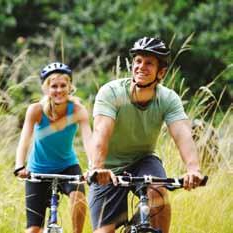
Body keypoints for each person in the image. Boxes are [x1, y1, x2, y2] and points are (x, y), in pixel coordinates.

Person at [89, 37, 204, 233]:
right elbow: (101, 132)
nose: (141, 67)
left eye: (149, 63)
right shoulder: (111, 93)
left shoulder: (168, 98)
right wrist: (98, 168)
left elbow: (182, 134)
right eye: (138, 61)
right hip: (107, 169)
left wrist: (193, 170)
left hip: (143, 160)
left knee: (159, 190)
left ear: (161, 72)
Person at [14, 62, 92, 233]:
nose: (59, 90)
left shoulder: (78, 110)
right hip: (38, 169)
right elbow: (24, 140)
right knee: (33, 229)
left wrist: (93, 167)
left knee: (78, 198)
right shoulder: (36, 110)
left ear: (70, 86)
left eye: (63, 85)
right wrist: (20, 165)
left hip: (67, 167)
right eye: (53, 86)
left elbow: (89, 140)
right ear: (46, 89)